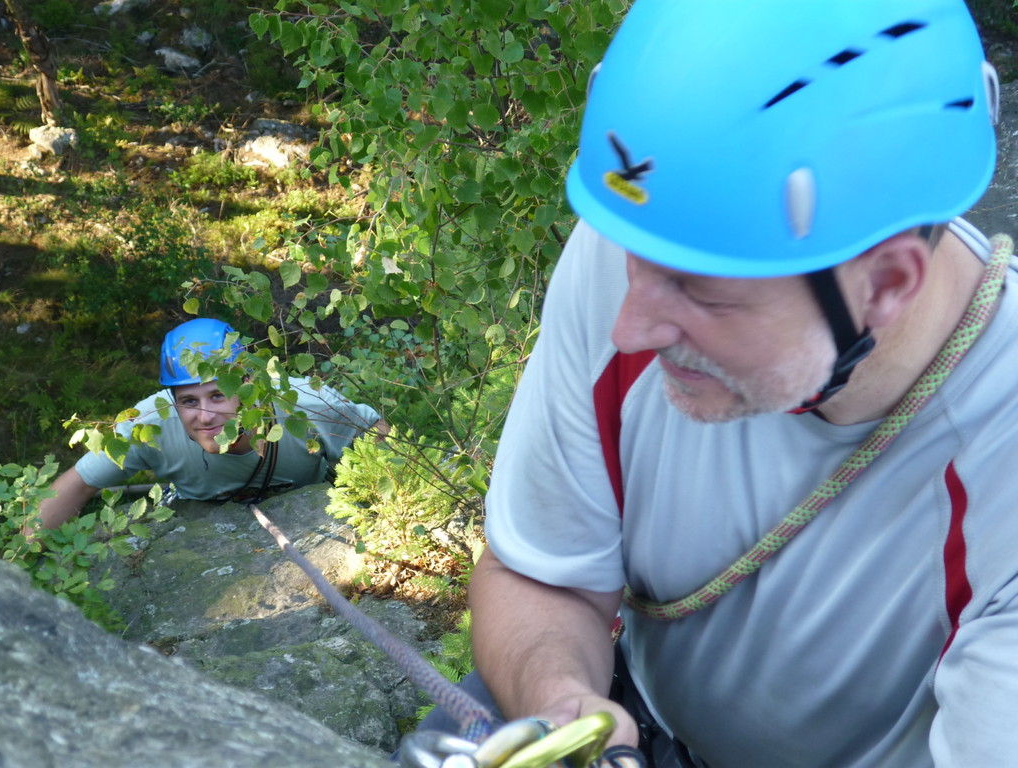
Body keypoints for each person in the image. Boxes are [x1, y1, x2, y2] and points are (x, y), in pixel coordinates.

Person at [426, 1, 1017, 766]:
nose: (630, 328)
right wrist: (564, 707)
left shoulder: (1002, 465)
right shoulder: (650, 237)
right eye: (633, 259)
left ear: (887, 283)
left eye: (699, 290)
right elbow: (540, 578)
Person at [37, 317, 387, 530]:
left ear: (248, 386)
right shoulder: (150, 423)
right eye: (189, 401)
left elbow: (376, 433)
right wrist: (23, 570)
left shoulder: (305, 405)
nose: (204, 416)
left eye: (218, 396)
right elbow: (77, 485)